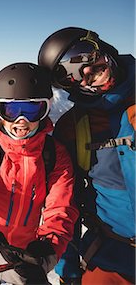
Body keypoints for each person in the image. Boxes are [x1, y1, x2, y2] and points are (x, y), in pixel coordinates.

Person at [0, 62, 79, 285]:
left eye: (33, 110)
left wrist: (47, 249)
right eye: (10, 111)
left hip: (27, 248)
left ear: (46, 109)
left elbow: (61, 208)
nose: (22, 121)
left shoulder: (53, 153)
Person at [38, 27, 135, 284]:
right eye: (67, 76)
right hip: (114, 254)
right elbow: (64, 201)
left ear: (98, 46)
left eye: (83, 56)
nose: (84, 74)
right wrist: (67, 269)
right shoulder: (73, 128)